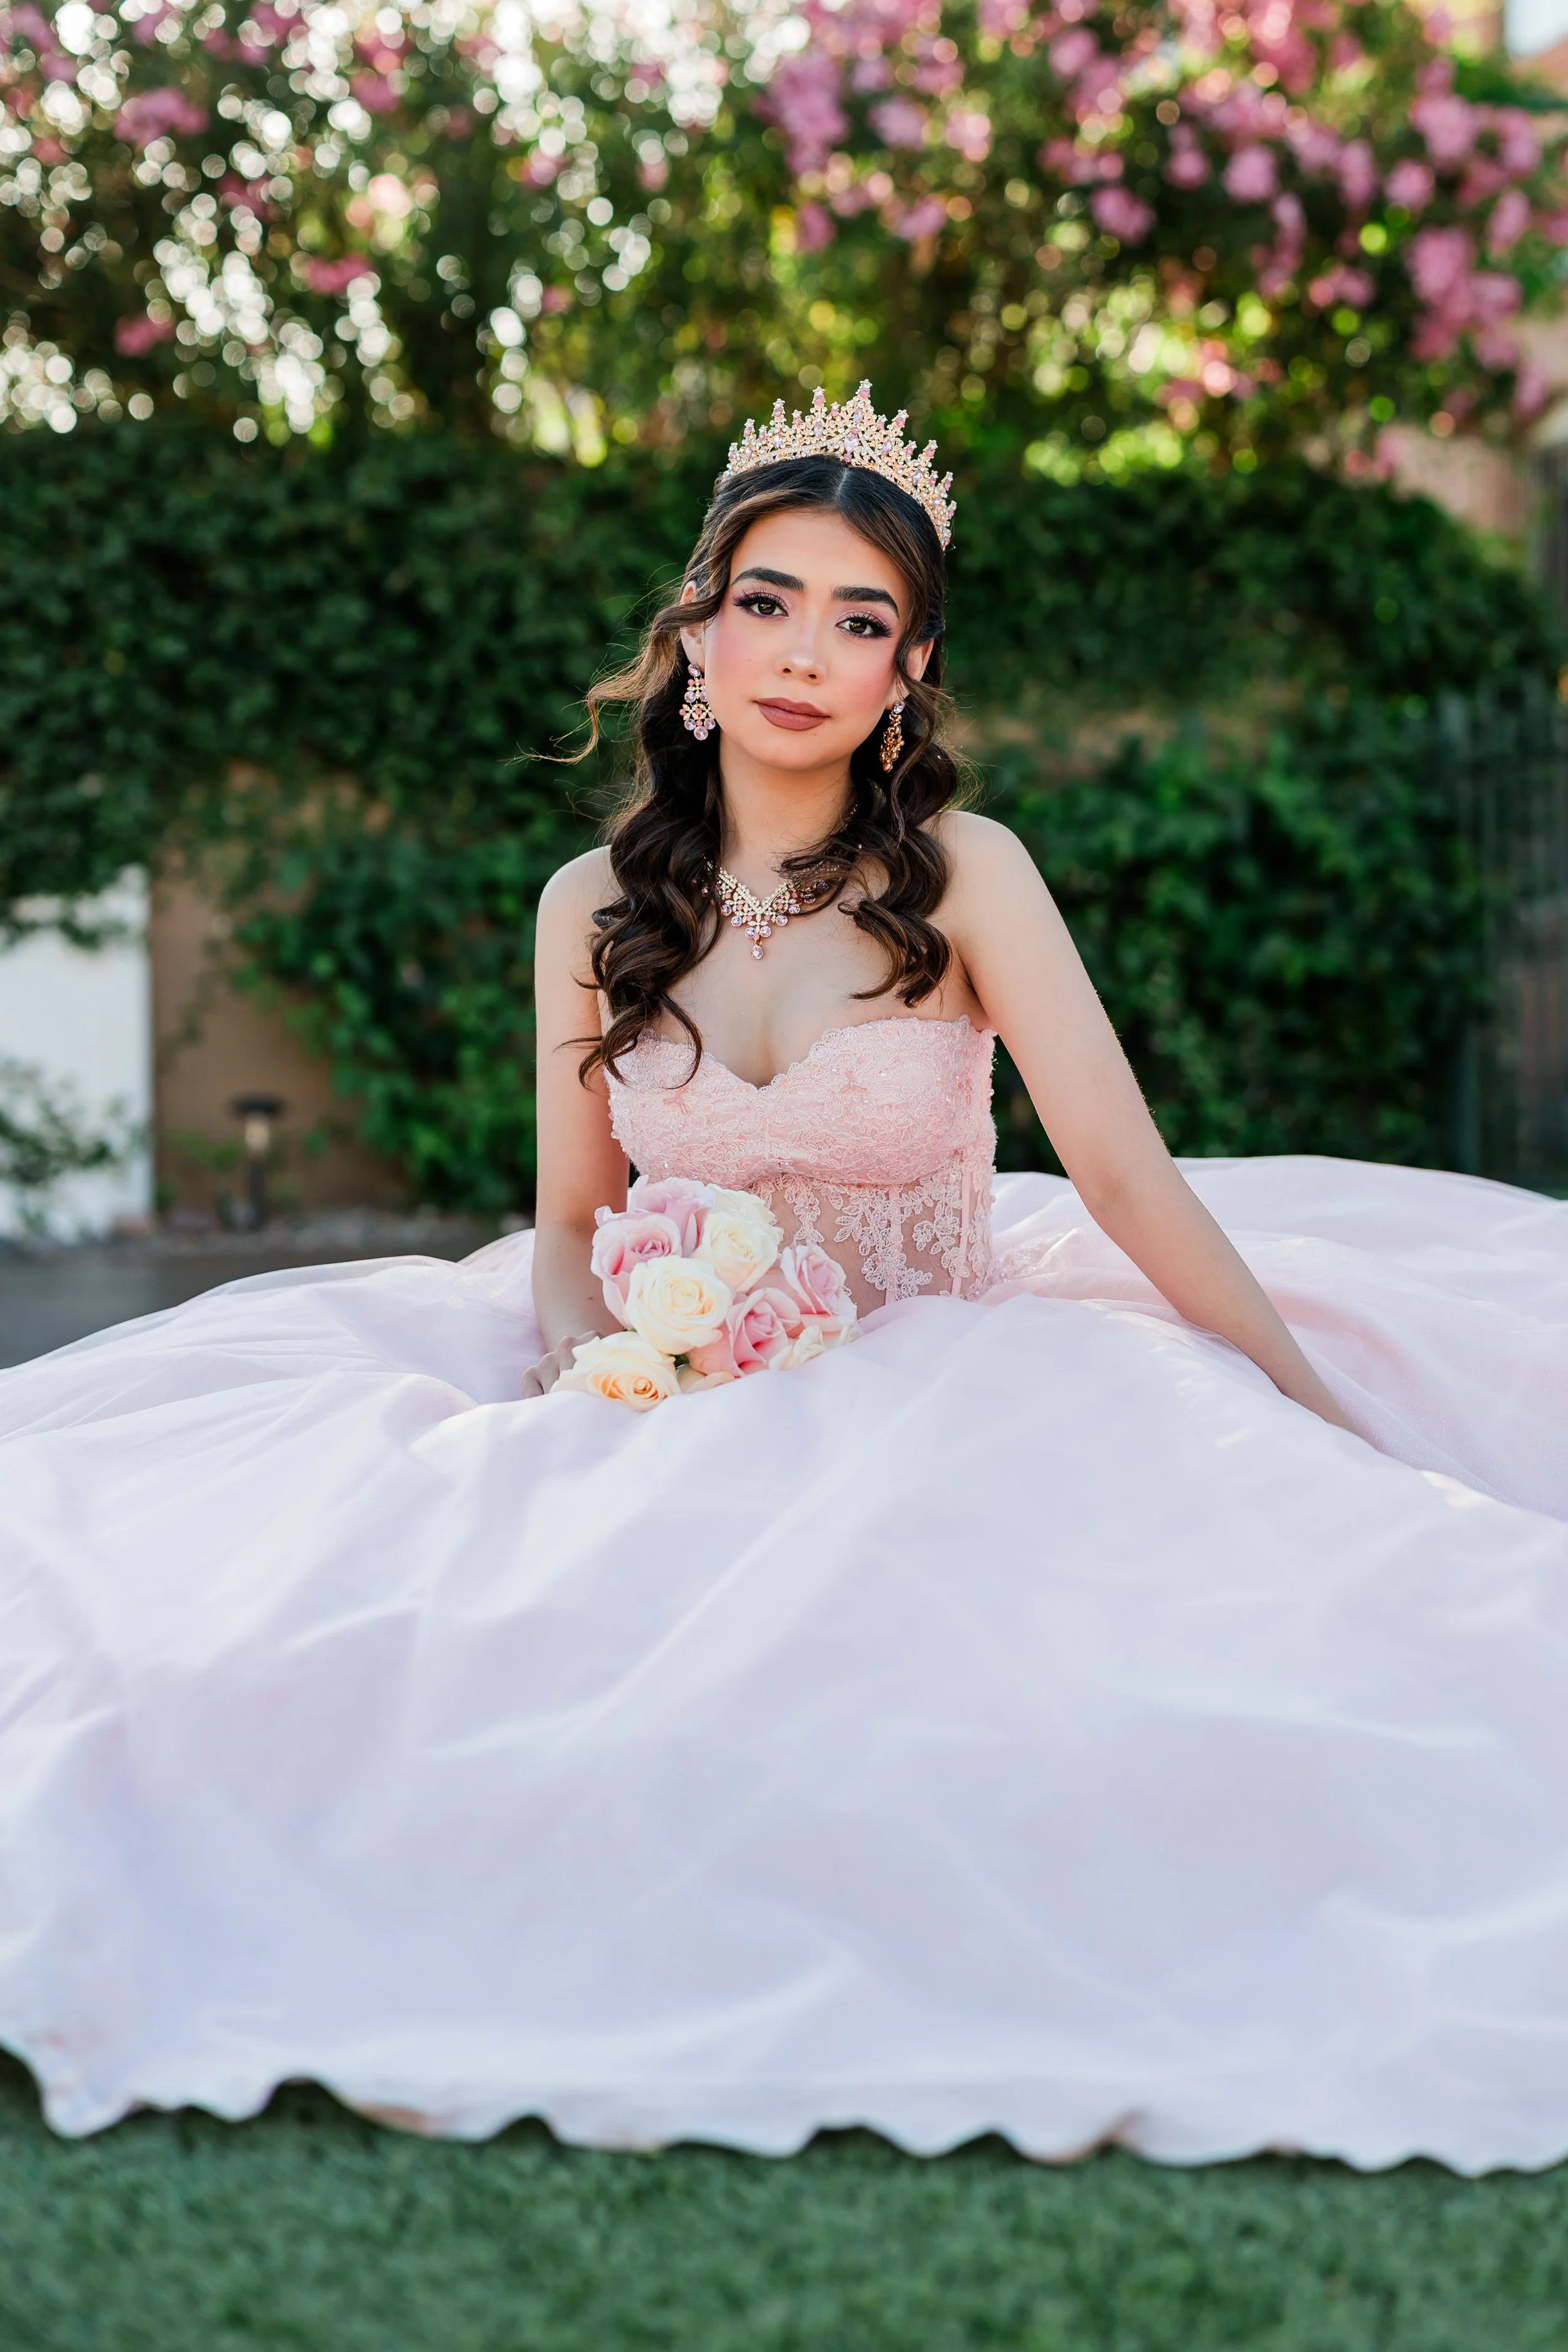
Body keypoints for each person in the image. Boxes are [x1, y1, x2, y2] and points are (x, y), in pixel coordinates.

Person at [1, 386, 1565, 2173]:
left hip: (956, 1368)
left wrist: (1302, 1400)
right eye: (767, 596)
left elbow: (1122, 1176)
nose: (803, 650)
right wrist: (609, 1365)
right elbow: (577, 1215)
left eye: (859, 616)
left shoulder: (966, 876)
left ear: (907, 673)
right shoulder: (588, 903)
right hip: (684, 1384)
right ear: (693, 633)